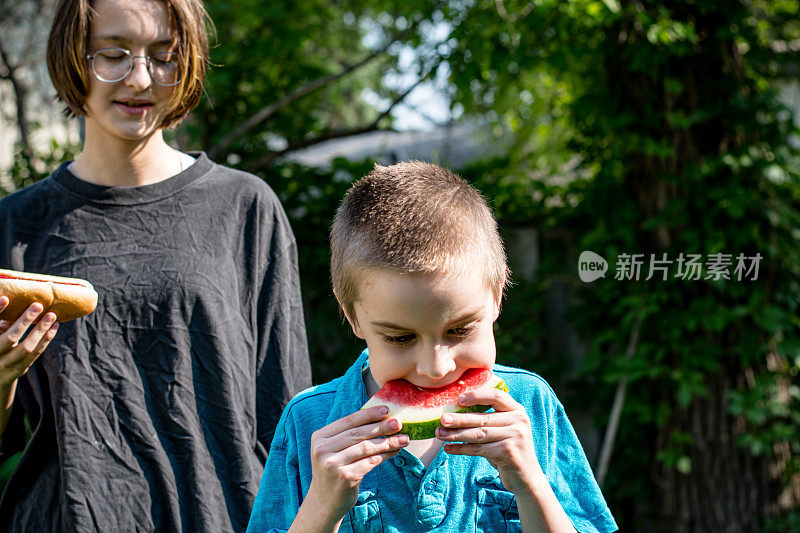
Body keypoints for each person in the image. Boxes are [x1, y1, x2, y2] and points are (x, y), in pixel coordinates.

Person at [0, 0, 311, 530]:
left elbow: (287, 416)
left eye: (164, 56)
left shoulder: (246, 208)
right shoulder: (15, 223)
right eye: (113, 54)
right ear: (73, 59)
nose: (140, 78)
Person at [246, 161, 617, 532]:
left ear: (496, 297)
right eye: (400, 338)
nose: (435, 368)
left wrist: (531, 486)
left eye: (459, 331)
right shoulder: (308, 422)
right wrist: (322, 507)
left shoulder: (531, 403)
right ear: (353, 317)